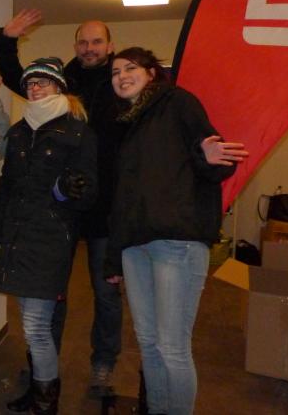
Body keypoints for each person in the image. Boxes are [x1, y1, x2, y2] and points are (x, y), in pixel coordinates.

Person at [104, 47, 248, 415]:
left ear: (152, 73)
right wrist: (114, 257)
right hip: (135, 245)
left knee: (172, 347)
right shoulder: (127, 123)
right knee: (148, 343)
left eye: (130, 68)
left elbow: (213, 158)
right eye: (115, 72)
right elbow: (123, 197)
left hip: (176, 241)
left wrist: (207, 157)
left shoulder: (178, 102)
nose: (121, 76)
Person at [0, 10, 125, 397]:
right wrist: (6, 40)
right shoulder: (61, 79)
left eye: (96, 42)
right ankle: (43, 363)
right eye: (83, 42)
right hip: (57, 211)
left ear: (110, 46)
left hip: (103, 208)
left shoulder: (119, 82)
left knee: (105, 293)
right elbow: (21, 78)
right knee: (51, 294)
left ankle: (102, 364)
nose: (89, 48)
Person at [0, 57, 98, 414]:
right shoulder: (20, 131)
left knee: (35, 326)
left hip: (50, 238)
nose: (34, 89)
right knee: (32, 323)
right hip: (17, 234)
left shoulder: (78, 131)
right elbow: (6, 187)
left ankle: (46, 401)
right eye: (30, 83)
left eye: (42, 82)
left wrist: (65, 191)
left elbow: (89, 192)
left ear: (58, 87)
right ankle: (39, 390)